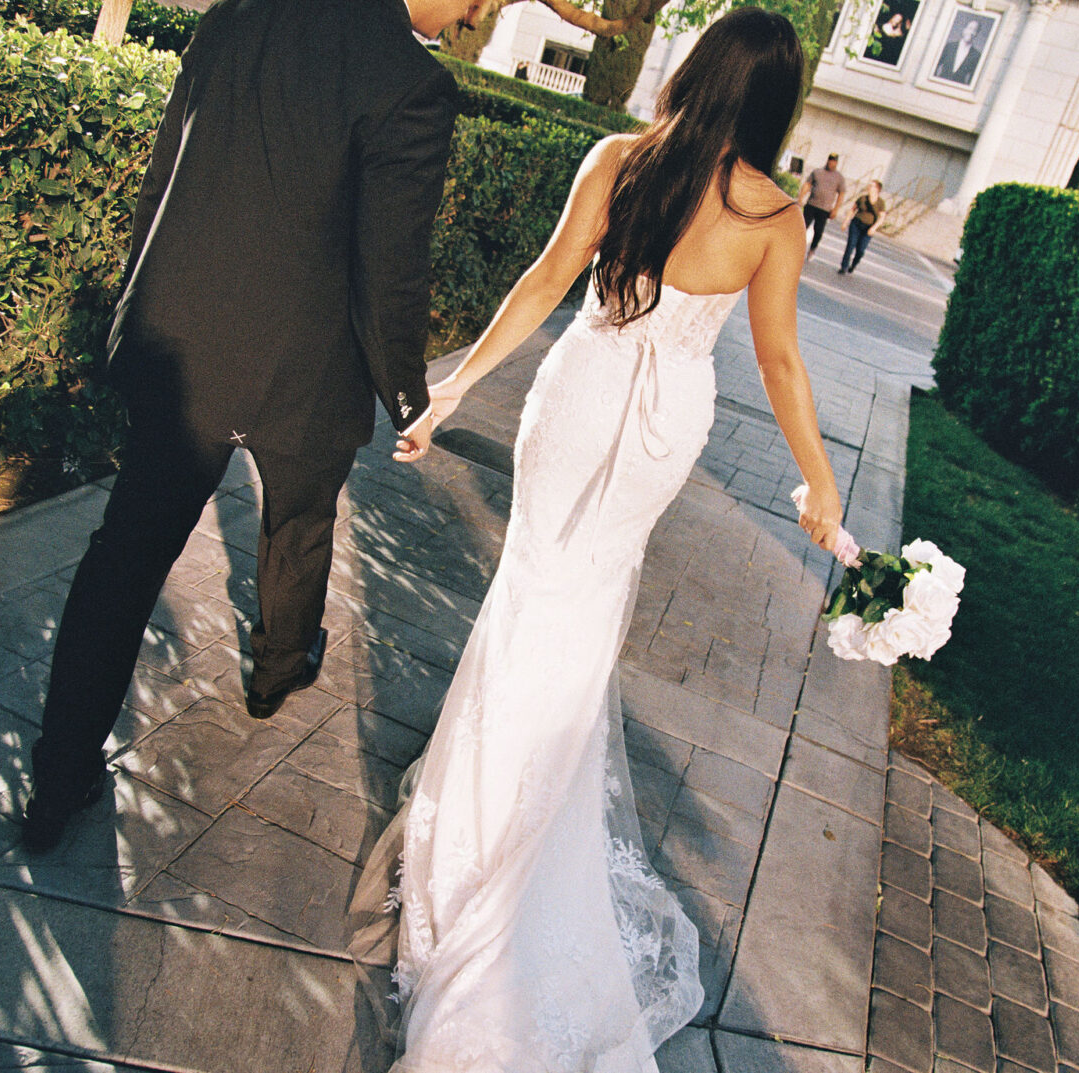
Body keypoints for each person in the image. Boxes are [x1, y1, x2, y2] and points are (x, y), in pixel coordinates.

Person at [348, 10, 850, 1068]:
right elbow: (780, 364)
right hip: (662, 429)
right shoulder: (774, 214)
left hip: (576, 399)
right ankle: (516, 825)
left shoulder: (620, 159)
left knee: (529, 594)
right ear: (775, 102)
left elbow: (541, 282)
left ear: (699, 69)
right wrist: (819, 478)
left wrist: (455, 391)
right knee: (577, 616)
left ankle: (474, 819)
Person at [19, 0, 486, 853]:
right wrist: (409, 396)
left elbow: (165, 178)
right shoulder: (412, 86)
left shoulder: (241, 14)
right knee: (301, 520)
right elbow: (392, 267)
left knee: (126, 553)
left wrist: (135, 304)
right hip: (308, 366)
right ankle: (275, 670)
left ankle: (57, 778)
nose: (471, 17)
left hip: (185, 340)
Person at [799, 152, 847, 257]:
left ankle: (812, 249)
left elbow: (841, 193)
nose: (831, 162)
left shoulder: (839, 178)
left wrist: (836, 209)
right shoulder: (817, 172)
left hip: (824, 209)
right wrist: (801, 197)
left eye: (833, 161)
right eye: (830, 160)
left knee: (818, 231)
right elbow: (808, 184)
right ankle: (797, 247)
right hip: (811, 204)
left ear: (836, 162)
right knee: (802, 227)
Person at [838, 179, 888, 275]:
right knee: (850, 245)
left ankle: (854, 264)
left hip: (868, 228)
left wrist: (873, 228)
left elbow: (882, 217)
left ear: (877, 189)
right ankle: (844, 267)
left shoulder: (880, 202)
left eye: (872, 186)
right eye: (869, 185)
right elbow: (852, 210)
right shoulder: (862, 198)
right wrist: (845, 222)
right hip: (856, 224)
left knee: (861, 249)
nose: (869, 187)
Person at [933, 16, 986, 86]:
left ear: (976, 34)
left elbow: (972, 79)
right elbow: (935, 65)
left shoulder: (976, 55)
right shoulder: (949, 46)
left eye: (975, 30)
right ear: (964, 29)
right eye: (970, 28)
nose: (971, 32)